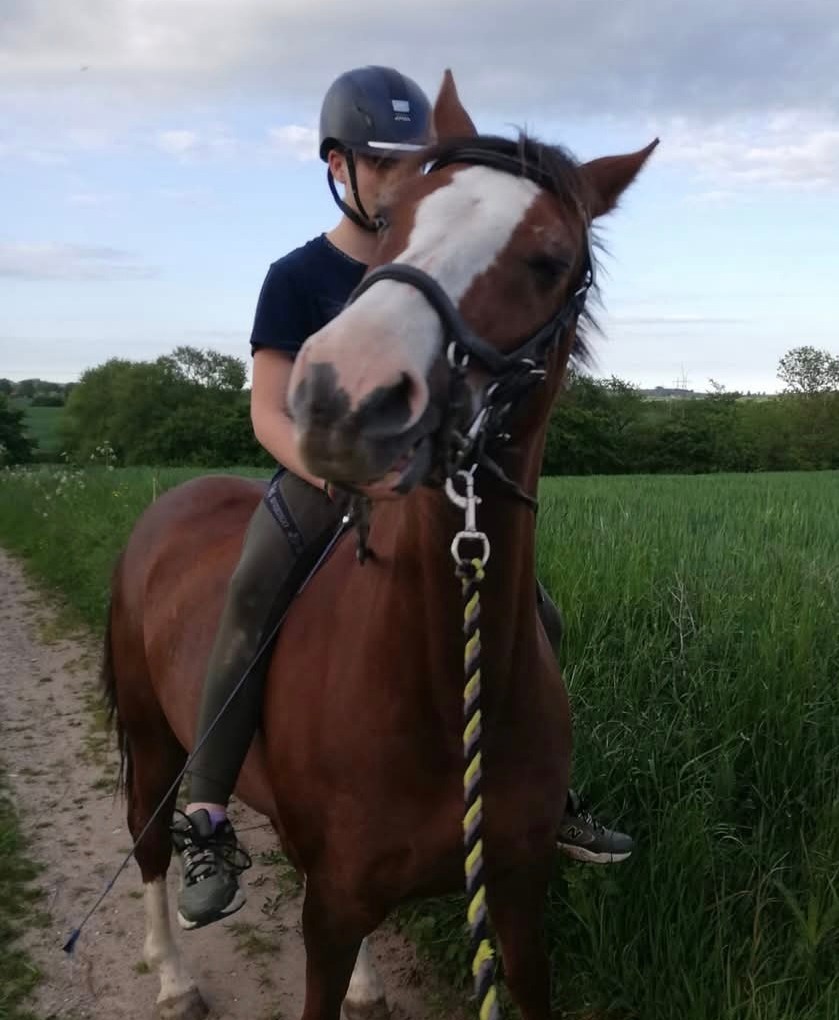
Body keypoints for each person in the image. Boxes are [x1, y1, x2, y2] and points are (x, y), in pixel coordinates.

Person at [170, 65, 634, 932]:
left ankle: (547, 795)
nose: (396, 179)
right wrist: (332, 472)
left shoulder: (435, 259)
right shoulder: (297, 274)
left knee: (534, 613)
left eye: (409, 162)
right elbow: (268, 410)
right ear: (337, 168)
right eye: (378, 162)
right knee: (251, 594)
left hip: (427, 485)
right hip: (326, 478)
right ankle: (206, 813)